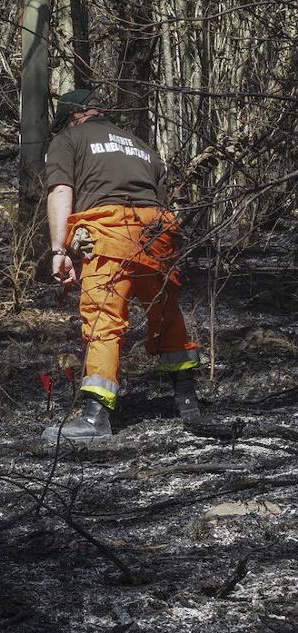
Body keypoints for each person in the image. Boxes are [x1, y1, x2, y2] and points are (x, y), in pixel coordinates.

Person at [42, 89, 201, 444]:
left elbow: (60, 191)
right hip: (156, 231)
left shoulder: (67, 140)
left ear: (72, 116)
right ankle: (188, 401)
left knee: (103, 319)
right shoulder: (140, 144)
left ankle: (96, 417)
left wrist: (59, 249)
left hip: (109, 233)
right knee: (167, 315)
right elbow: (160, 194)